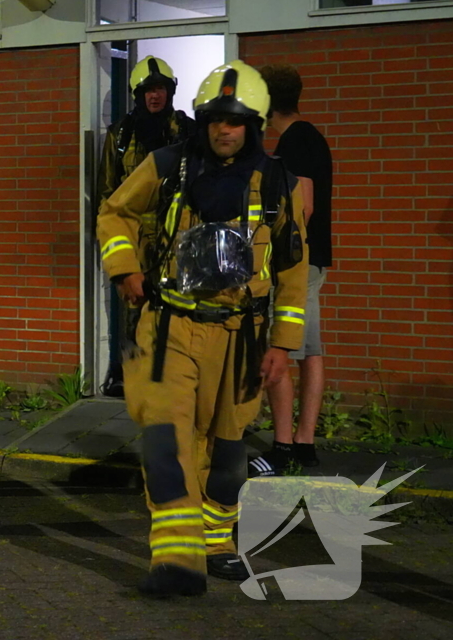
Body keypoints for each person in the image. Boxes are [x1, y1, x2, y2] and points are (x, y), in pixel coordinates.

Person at [97, 60, 308, 597]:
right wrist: (124, 269)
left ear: (253, 126)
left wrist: (284, 344)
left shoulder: (277, 183)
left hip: (241, 337)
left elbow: (291, 270)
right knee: (168, 439)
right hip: (168, 327)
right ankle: (177, 560)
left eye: (235, 122)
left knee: (228, 447)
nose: (223, 130)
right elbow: (114, 212)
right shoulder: (167, 165)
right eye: (214, 118)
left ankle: (215, 542)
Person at [250, 64, 334, 477]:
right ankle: (304, 445)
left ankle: (282, 448)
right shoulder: (310, 136)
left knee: (280, 349)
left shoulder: (296, 140)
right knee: (311, 354)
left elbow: (304, 206)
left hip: (296, 263)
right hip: (314, 259)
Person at [98, 56, 196, 398]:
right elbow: (108, 192)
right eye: (148, 91)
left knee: (179, 305)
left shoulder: (187, 131)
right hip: (137, 236)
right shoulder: (120, 135)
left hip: (178, 234)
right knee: (134, 307)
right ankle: (130, 376)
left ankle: (176, 374)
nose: (155, 96)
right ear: (138, 95)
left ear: (169, 92)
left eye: (160, 89)